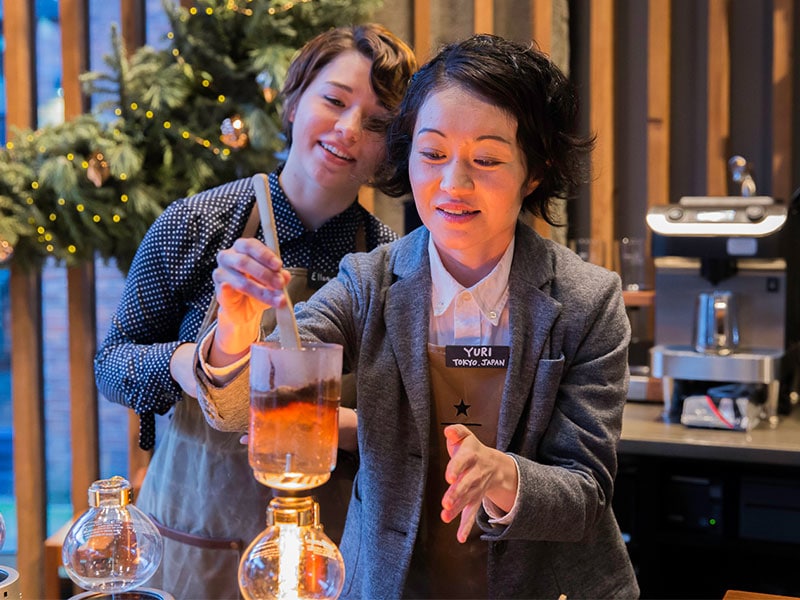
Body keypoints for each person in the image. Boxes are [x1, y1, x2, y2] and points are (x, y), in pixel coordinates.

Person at [201, 33, 639, 599]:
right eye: (432, 154)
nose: (453, 185)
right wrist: (238, 329)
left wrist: (508, 477)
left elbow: (586, 493)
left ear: (534, 171)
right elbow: (245, 410)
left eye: (486, 159)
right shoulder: (369, 283)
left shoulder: (587, 301)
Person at [94, 23, 417, 599]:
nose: (347, 130)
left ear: (392, 149)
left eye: (376, 123)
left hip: (329, 552)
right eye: (335, 100)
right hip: (196, 540)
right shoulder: (197, 224)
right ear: (293, 102)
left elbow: (405, 423)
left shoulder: (393, 263)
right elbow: (111, 364)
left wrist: (328, 426)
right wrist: (192, 367)